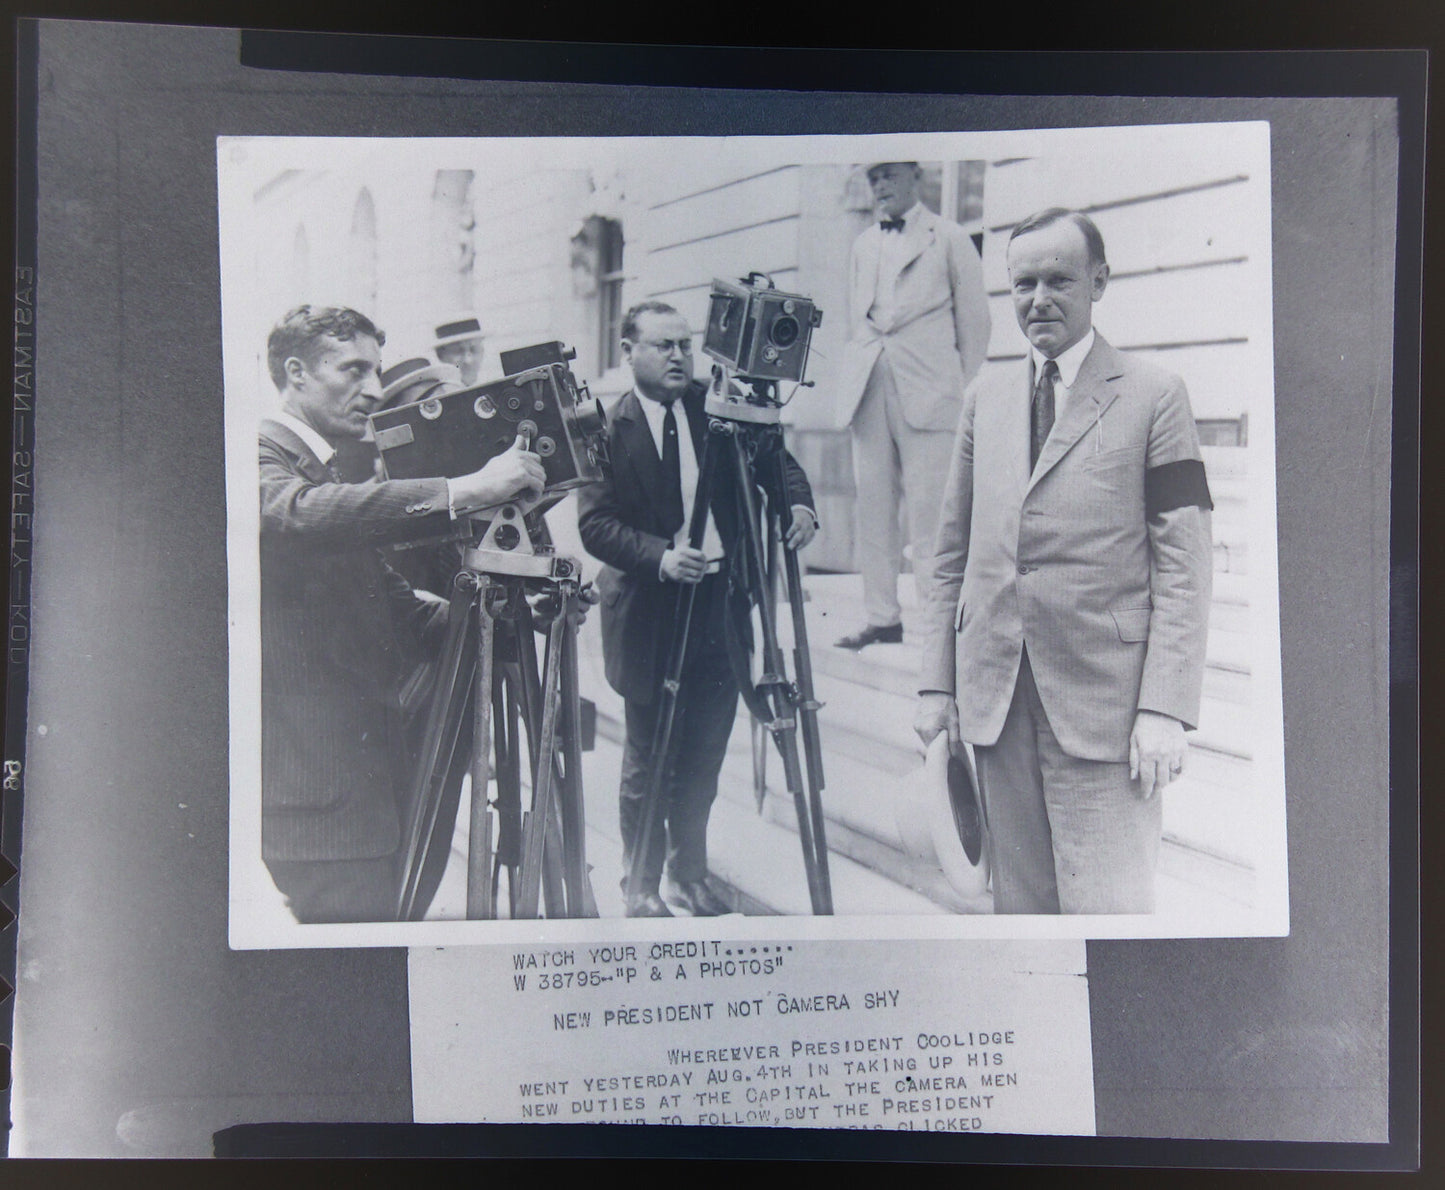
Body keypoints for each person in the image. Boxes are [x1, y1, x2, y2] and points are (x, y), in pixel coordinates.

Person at [914, 209, 1214, 915]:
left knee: (1109, 908)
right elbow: (948, 554)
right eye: (1022, 284)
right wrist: (934, 685)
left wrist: (1164, 707)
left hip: (1103, 707)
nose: (1038, 299)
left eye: (1057, 279)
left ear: (1098, 282)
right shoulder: (983, 399)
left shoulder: (1154, 393)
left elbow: (1185, 564)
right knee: (1021, 912)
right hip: (996, 698)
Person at [258, 305, 545, 924]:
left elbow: (397, 606)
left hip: (360, 798)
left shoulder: (321, 466)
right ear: (296, 372)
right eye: (353, 369)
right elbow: (294, 514)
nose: (372, 390)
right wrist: (466, 490)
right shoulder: (259, 455)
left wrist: (509, 603)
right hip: (323, 808)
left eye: (377, 370)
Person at [577, 301, 817, 918]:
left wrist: (797, 506)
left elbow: (777, 462)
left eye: (685, 344)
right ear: (629, 352)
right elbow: (596, 525)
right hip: (650, 610)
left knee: (705, 750)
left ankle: (690, 874)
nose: (679, 356)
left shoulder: (719, 408)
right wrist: (659, 557)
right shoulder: (606, 430)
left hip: (719, 606)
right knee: (649, 754)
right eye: (663, 345)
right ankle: (640, 885)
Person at [831, 161, 992, 650]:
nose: (880, 185)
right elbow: (854, 318)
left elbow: (976, 325)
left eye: (890, 175)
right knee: (874, 507)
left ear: (916, 178)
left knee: (932, 513)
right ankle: (882, 617)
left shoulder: (948, 237)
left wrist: (951, 384)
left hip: (930, 388)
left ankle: (940, 626)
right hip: (869, 386)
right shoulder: (863, 245)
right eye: (874, 177)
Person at [433, 313, 486, 386]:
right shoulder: (436, 395)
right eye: (458, 351)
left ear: (482, 350)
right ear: (440, 355)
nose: (468, 361)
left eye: (474, 349)